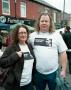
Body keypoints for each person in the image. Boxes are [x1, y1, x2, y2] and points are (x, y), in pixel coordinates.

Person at [29, 13, 68, 90]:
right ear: (39, 22)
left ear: (50, 23)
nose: (44, 23)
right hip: (38, 73)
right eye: (42, 21)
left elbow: (63, 53)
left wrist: (63, 70)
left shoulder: (57, 35)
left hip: (53, 73)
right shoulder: (32, 36)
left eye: (46, 21)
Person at [0, 25, 35, 90]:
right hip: (16, 84)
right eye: (21, 33)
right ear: (17, 34)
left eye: (25, 33)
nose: (23, 35)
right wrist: (15, 56)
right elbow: (2, 62)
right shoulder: (11, 47)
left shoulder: (29, 46)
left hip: (29, 83)